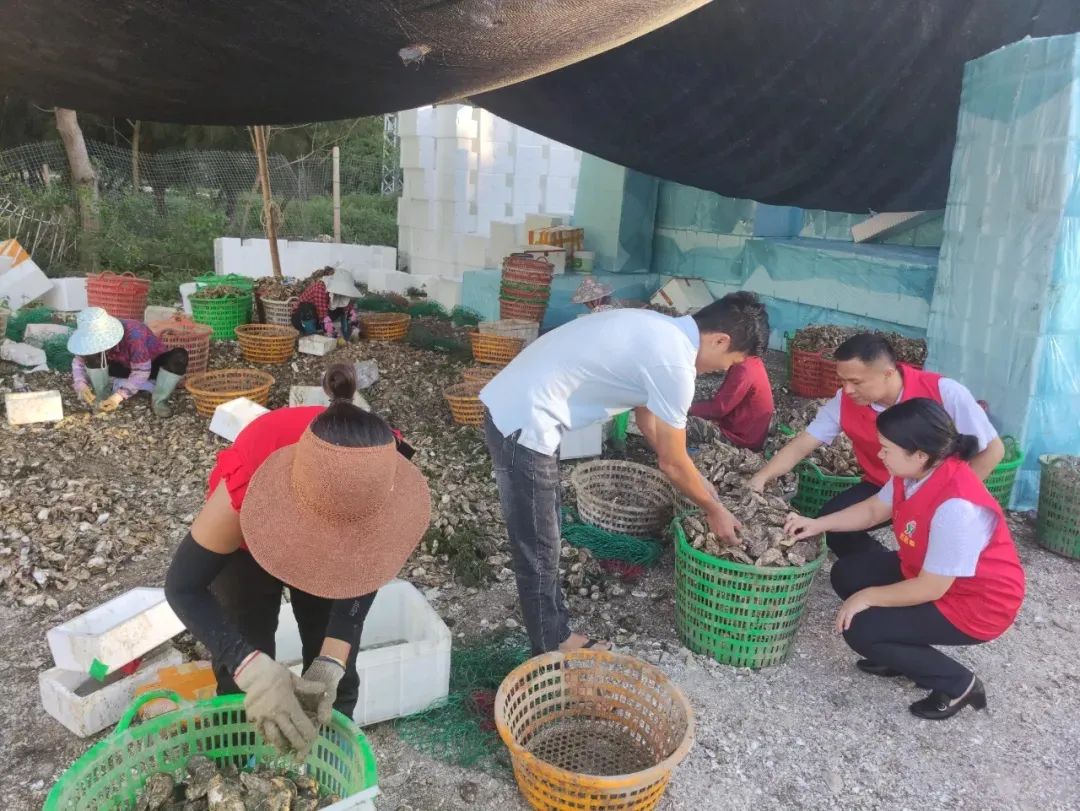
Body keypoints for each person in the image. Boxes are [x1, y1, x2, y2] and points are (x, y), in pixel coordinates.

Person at [480, 291, 770, 654]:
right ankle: (552, 649)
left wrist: (699, 483)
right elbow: (671, 461)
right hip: (523, 423)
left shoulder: (659, 329)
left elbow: (649, 420)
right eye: (729, 362)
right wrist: (714, 509)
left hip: (517, 409)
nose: (723, 370)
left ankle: (553, 634)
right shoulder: (675, 363)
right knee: (539, 546)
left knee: (544, 533)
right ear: (720, 340)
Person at [165, 363, 430, 754]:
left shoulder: (383, 472)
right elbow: (183, 586)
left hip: (348, 544)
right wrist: (247, 665)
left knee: (333, 678)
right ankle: (239, 766)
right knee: (241, 671)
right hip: (247, 553)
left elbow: (369, 570)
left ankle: (329, 769)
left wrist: (333, 660)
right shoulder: (251, 472)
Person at [785, 399, 1025, 719]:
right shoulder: (913, 473)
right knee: (847, 574)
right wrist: (817, 524)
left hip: (977, 602)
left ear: (919, 454)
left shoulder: (956, 507)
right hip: (928, 574)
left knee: (859, 626)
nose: (880, 454)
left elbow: (930, 589)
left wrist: (866, 598)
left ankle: (958, 685)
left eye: (886, 448)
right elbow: (873, 510)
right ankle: (895, 652)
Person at [749, 333, 1004, 556]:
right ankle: (885, 570)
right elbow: (803, 443)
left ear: (888, 373)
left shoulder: (945, 392)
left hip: (936, 489)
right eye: (843, 381)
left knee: (929, 540)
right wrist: (761, 477)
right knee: (832, 527)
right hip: (881, 484)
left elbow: (993, 451)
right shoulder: (845, 400)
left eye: (856, 382)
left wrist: (943, 497)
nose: (847, 390)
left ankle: (919, 580)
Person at [67, 307, 188, 418]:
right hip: (120, 367)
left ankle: (160, 401)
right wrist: (80, 384)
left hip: (151, 366)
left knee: (179, 356)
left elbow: (141, 371)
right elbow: (78, 362)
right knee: (91, 355)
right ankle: (102, 397)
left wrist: (118, 397)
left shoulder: (135, 333)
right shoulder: (89, 342)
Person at [686, 320, 774, 450]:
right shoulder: (754, 362)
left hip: (741, 441)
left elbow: (718, 409)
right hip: (750, 434)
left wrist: (688, 408)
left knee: (682, 423)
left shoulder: (744, 369)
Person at [290, 268, 364, 340]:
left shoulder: (341, 295)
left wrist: (354, 327)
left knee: (343, 308)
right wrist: (332, 334)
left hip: (318, 318)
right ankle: (312, 337)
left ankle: (347, 336)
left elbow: (348, 309)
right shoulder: (320, 288)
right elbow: (323, 316)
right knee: (306, 307)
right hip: (301, 318)